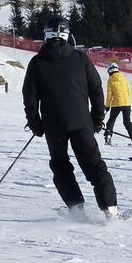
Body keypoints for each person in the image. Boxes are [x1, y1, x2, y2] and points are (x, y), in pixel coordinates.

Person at [22, 18, 121, 219]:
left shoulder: (37, 62)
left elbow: (30, 97)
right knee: (94, 166)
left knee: (61, 166)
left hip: (53, 126)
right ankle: (110, 209)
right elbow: (96, 89)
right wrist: (97, 118)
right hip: (81, 123)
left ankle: (76, 209)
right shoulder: (80, 58)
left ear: (46, 35)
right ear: (67, 35)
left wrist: (35, 124)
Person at [104, 63, 132, 146]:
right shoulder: (124, 78)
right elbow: (129, 91)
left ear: (109, 71)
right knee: (127, 122)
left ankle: (108, 136)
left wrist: (107, 106)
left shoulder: (111, 80)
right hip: (126, 104)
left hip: (116, 104)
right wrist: (128, 103)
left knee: (111, 121)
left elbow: (109, 94)